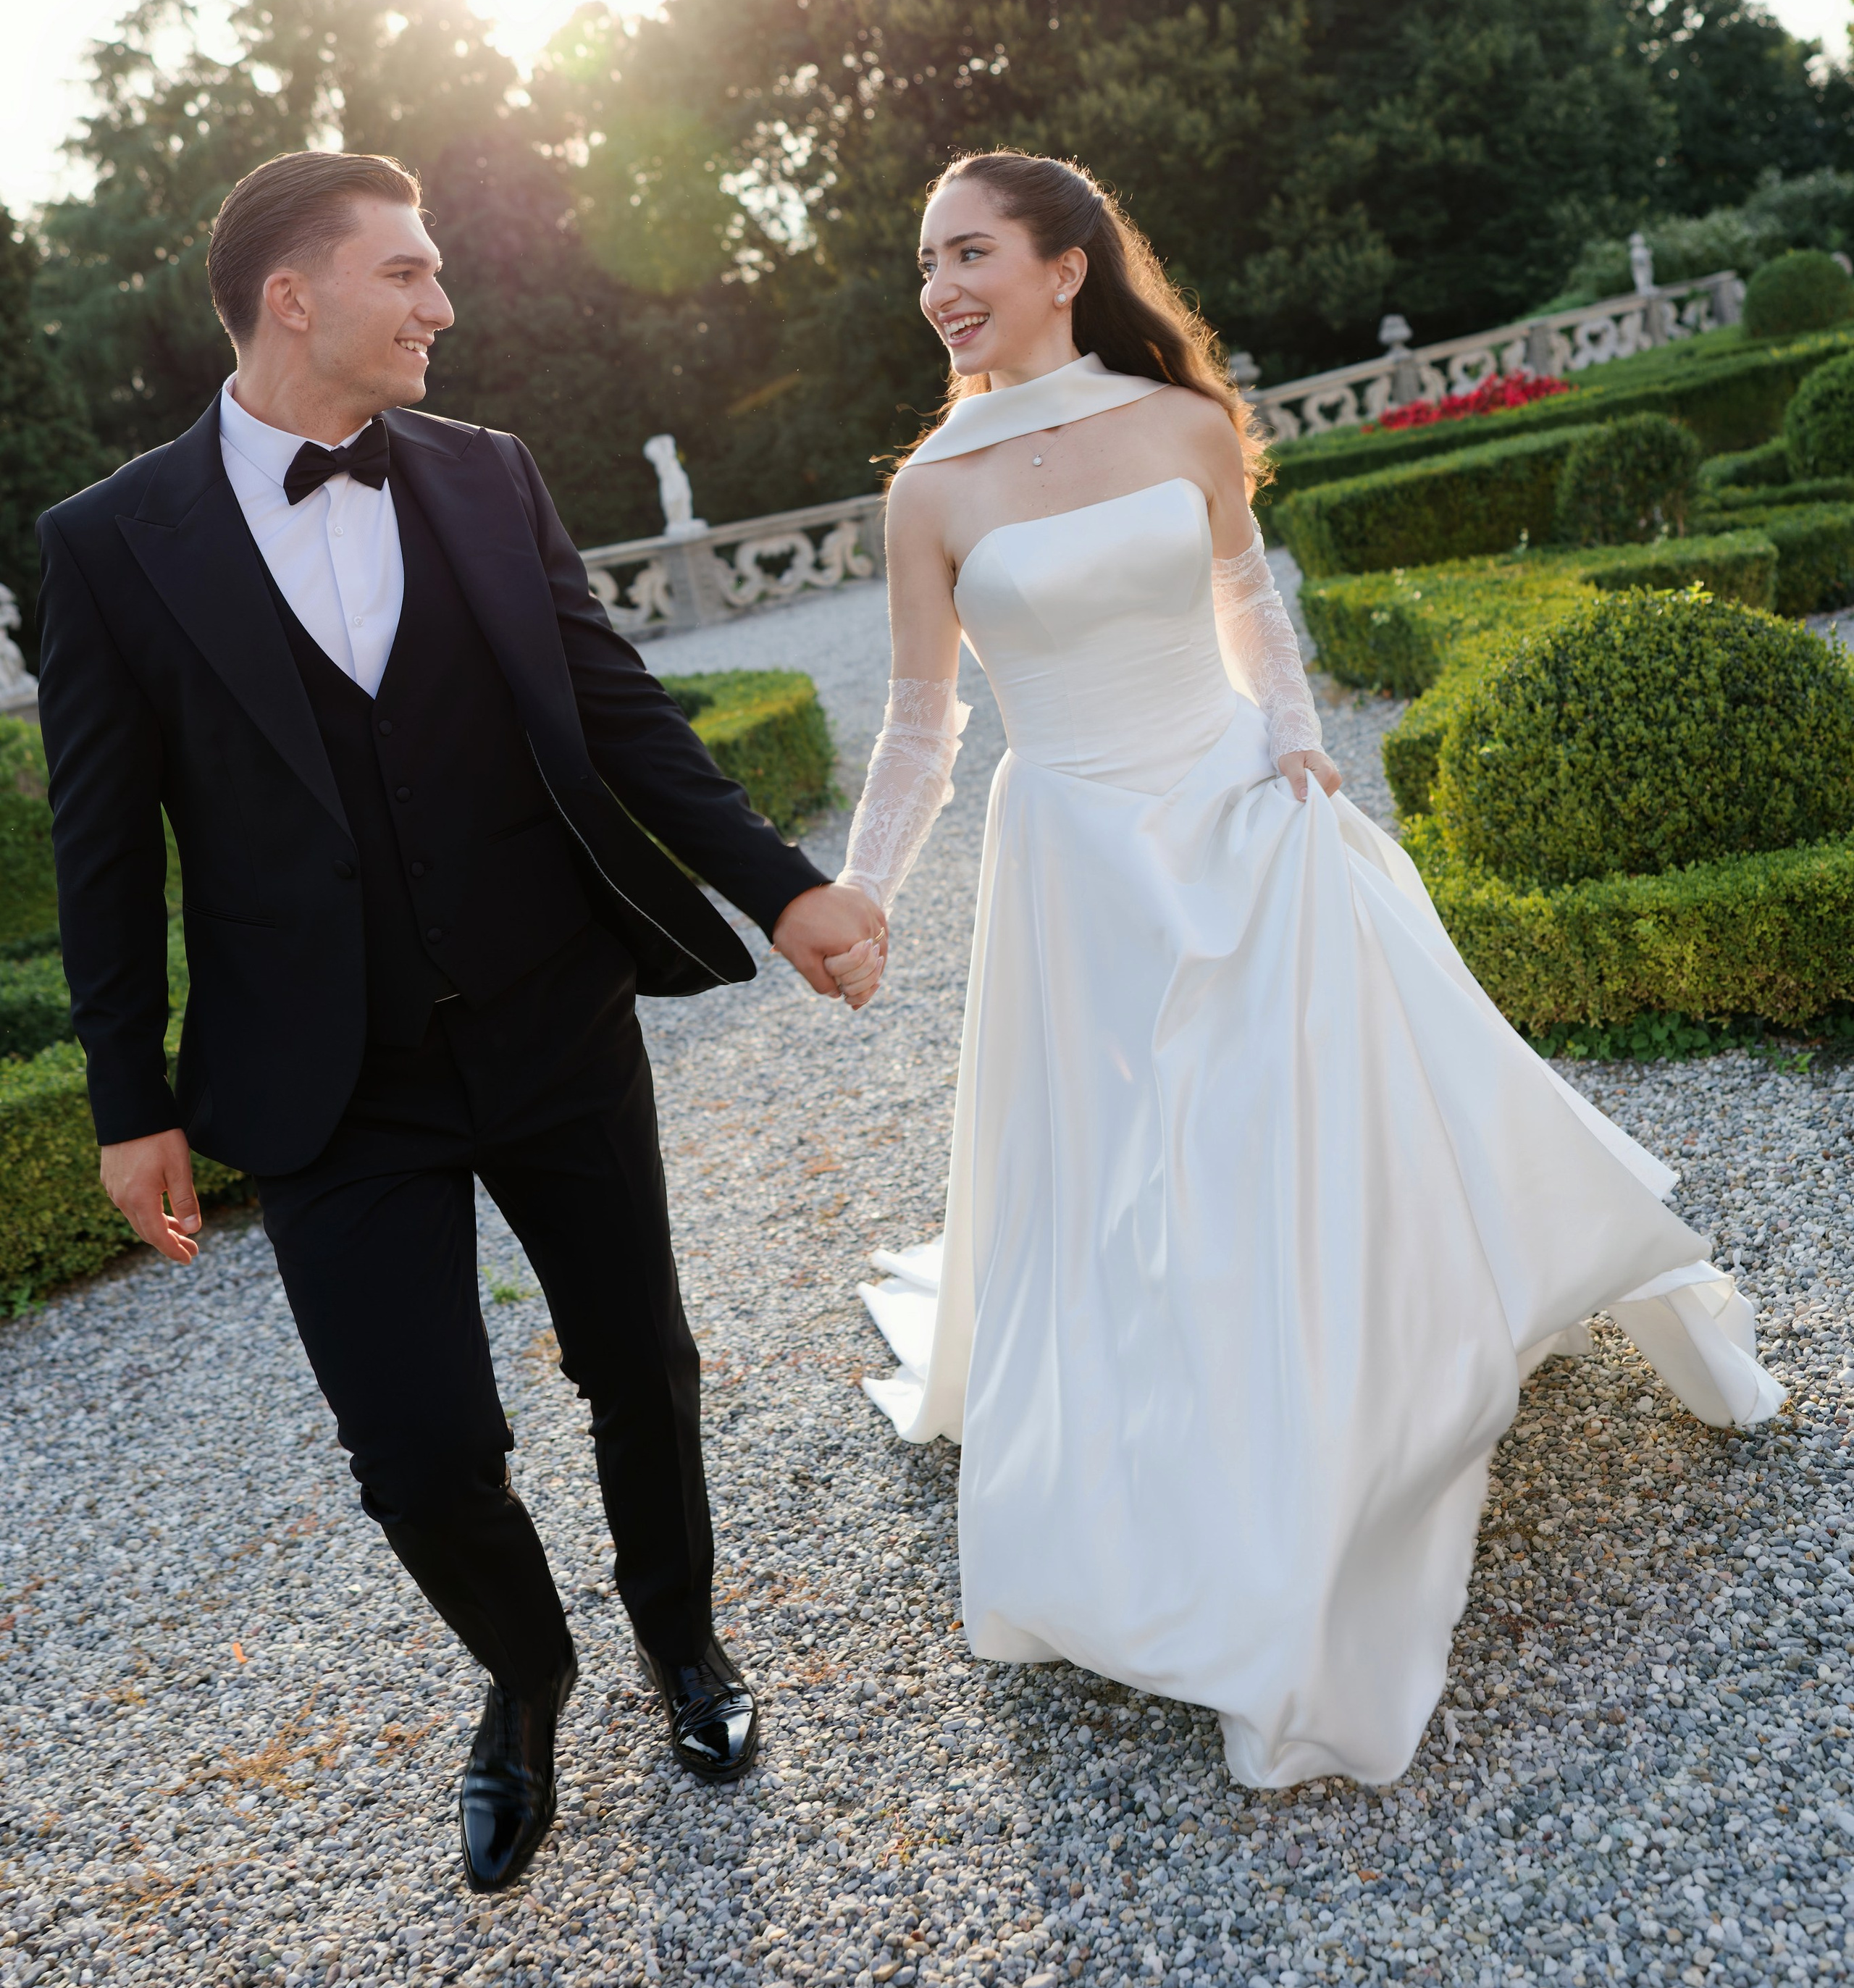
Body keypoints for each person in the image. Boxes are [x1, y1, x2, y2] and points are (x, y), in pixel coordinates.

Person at [838, 149, 1782, 1791]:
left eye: (970, 249)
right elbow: (925, 723)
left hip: (1230, 804)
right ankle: (1175, 1463)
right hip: (1070, 855)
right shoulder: (930, 487)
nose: (941, 286)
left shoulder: (1183, 423)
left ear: (1067, 263)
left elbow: (1243, 603)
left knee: (1279, 1120)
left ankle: (1331, 1411)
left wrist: (1289, 734)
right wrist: (857, 891)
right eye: (926, 261)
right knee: (1129, 1159)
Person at [34, 149, 886, 1894]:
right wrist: (133, 1101)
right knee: (416, 1451)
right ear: (295, 296)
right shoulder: (108, 546)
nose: (442, 305)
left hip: (551, 1015)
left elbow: (622, 716)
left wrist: (783, 887)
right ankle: (527, 1667)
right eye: (408, 273)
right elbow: (103, 855)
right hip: (323, 1079)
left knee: (639, 1361)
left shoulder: (489, 476)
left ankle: (679, 1642)